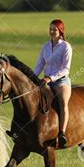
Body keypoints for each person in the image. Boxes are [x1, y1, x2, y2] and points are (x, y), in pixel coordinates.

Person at [34, 19, 72, 148]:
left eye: (54, 29)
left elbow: (65, 69)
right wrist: (32, 78)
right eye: (50, 29)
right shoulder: (45, 47)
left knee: (62, 102)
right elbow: (40, 65)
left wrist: (50, 78)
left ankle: (62, 133)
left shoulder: (66, 46)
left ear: (60, 31)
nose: (52, 31)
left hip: (61, 81)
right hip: (46, 81)